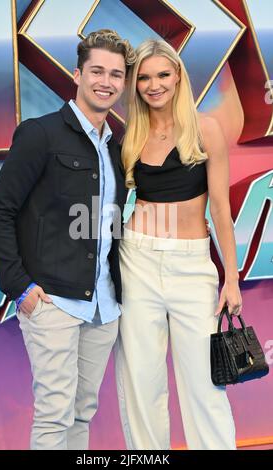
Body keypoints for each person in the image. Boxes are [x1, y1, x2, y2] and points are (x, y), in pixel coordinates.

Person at [0, 29, 136, 450]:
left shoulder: (115, 148)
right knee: (54, 415)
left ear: (123, 83)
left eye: (116, 74)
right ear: (77, 74)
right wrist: (21, 288)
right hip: (53, 303)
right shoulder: (41, 134)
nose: (106, 81)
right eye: (97, 71)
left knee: (81, 411)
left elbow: (106, 226)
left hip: (104, 306)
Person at [115, 39, 242, 450]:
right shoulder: (131, 133)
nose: (154, 85)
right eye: (145, 78)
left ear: (178, 76)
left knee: (205, 384)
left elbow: (221, 209)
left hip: (192, 267)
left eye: (163, 75)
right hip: (137, 259)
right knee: (142, 381)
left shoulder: (206, 128)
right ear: (135, 84)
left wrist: (233, 278)